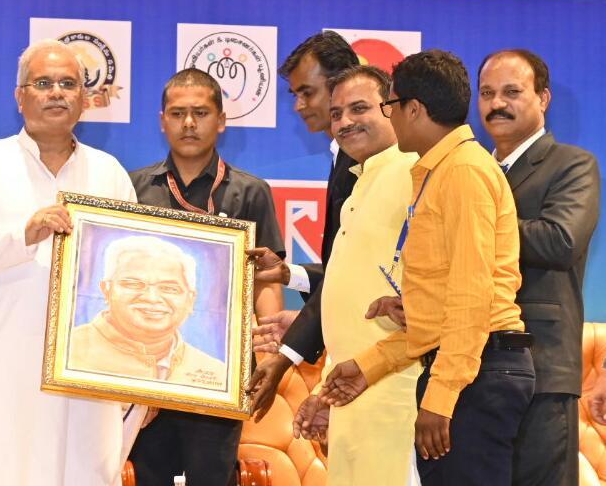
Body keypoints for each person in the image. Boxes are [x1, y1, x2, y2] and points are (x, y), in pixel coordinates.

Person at [0, 39, 136, 486]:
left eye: (68, 84)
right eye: (43, 83)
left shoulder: (110, 173)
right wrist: (21, 237)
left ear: (85, 98)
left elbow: (133, 270)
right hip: (0, 369)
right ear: (20, 97)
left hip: (85, 376)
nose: (56, 92)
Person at [319, 50, 535, 486]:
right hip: (468, 367)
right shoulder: (440, 171)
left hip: (478, 372)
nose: (390, 116)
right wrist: (370, 364)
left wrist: (441, 396)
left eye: (389, 105)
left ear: (413, 109)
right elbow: (442, 306)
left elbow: (471, 297)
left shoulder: (464, 171)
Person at [127, 68, 284, 486]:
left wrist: (267, 352)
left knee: (213, 476)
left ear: (221, 120)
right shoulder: (133, 188)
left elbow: (266, 279)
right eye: (178, 113)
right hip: (146, 365)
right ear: (162, 120)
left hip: (220, 367)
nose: (189, 124)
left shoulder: (251, 191)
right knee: (147, 475)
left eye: (200, 113)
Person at [291, 65, 421, 485]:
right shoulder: (359, 184)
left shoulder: (416, 173)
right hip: (350, 395)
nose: (345, 122)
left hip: (397, 397)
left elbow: (428, 301)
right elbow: (349, 310)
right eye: (336, 114)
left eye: (359, 108)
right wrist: (323, 393)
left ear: (392, 108)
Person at [478, 49, 600, 486]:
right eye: (487, 93)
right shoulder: (473, 171)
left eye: (512, 92)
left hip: (541, 368)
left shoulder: (573, 164)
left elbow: (559, 241)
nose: (497, 104)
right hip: (470, 368)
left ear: (543, 98)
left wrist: (474, 224)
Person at [245, 31, 360, 421]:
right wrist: (286, 274)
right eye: (295, 94)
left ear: (341, 85)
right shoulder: (342, 156)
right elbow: (343, 271)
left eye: (307, 93)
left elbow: (359, 275)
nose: (298, 105)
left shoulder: (369, 161)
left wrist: (285, 356)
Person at [69, 235, 226, 388]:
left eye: (169, 288)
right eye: (133, 284)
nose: (152, 298)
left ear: (190, 300)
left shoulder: (218, 376)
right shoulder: (66, 352)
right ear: (106, 291)